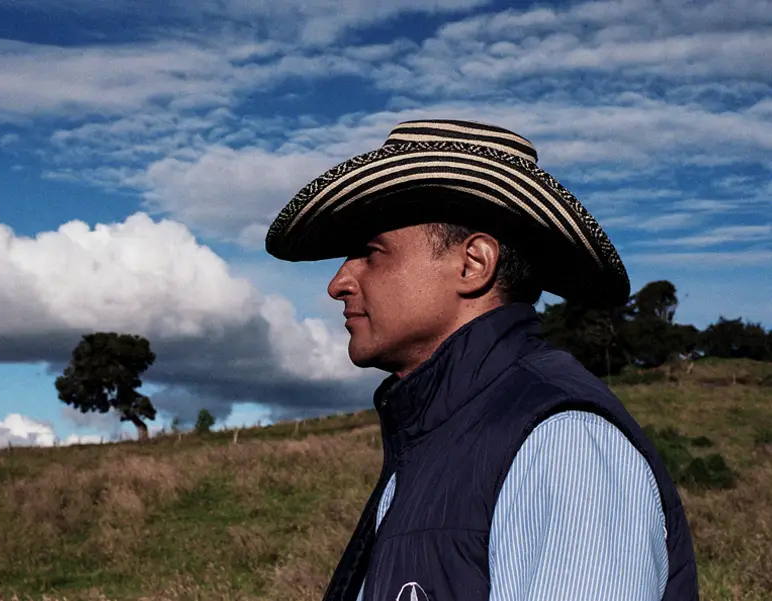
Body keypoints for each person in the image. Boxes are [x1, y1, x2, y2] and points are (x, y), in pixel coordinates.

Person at [265, 120, 698, 601]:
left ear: (473, 265)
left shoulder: (562, 442)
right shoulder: (438, 437)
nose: (338, 283)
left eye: (370, 253)